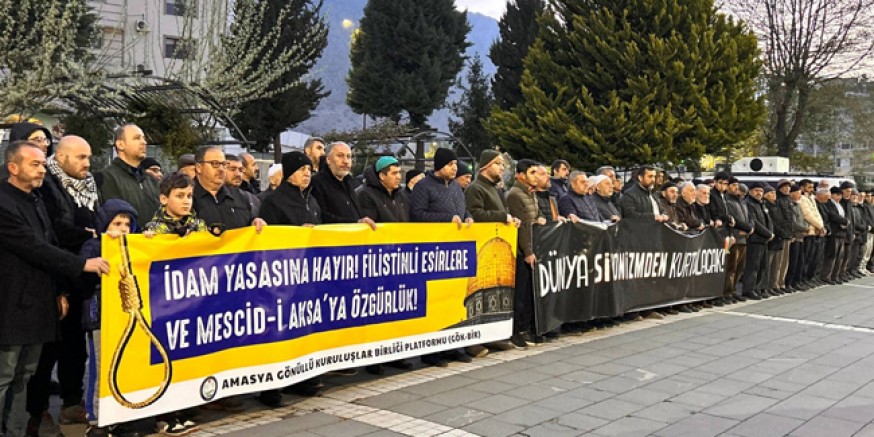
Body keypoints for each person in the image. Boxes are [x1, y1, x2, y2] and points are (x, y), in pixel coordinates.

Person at [0, 141, 109, 437]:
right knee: (5, 376)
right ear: (13, 167)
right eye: (35, 164)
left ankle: (15, 431)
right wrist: (82, 264)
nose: (42, 169)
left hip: (38, 302)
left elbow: (51, 241)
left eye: (42, 164)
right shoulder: (3, 203)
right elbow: (33, 246)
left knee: (25, 375)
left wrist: (60, 291)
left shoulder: (35, 199)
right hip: (10, 304)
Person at [26, 136, 100, 433]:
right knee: (47, 353)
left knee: (75, 349)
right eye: (81, 157)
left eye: (89, 157)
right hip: (56, 277)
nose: (87, 163)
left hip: (83, 277)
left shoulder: (91, 185)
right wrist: (87, 235)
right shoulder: (46, 186)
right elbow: (53, 231)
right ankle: (36, 412)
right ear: (60, 157)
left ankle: (72, 403)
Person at [257, 152, 324, 402]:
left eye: (309, 169)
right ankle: (271, 387)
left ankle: (301, 377)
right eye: (301, 169)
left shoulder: (311, 200)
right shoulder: (274, 202)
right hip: (283, 275)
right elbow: (270, 238)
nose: (307, 173)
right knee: (279, 327)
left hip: (308, 274)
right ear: (289, 173)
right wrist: (297, 234)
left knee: (303, 325)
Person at [78, 200, 142, 437]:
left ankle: (119, 416)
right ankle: (95, 417)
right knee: (100, 366)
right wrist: (106, 247)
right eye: (117, 223)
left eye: (127, 224)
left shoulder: (135, 246)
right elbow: (83, 278)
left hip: (126, 315)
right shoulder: (93, 247)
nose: (122, 228)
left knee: (122, 365)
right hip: (100, 317)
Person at [409, 148, 476, 365]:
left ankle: (452, 346)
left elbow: (462, 210)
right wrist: (447, 219)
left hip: (455, 252)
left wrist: (468, 217)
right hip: (433, 251)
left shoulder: (456, 187)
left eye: (455, 164)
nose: (454, 168)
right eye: (450, 164)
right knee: (434, 301)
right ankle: (431, 352)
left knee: (454, 299)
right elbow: (417, 215)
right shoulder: (423, 186)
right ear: (439, 166)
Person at [357, 156, 418, 373]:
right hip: (378, 262)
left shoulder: (401, 196)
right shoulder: (366, 195)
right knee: (377, 310)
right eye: (394, 173)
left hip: (399, 260)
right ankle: (374, 358)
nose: (399, 177)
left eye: (399, 173)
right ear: (382, 176)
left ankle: (395, 352)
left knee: (397, 308)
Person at [463, 150, 521, 348]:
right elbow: (476, 214)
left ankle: (494, 337)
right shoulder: (475, 188)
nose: (502, 168)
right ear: (486, 166)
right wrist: (503, 217)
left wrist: (511, 220)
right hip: (481, 250)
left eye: (503, 165)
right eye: (498, 164)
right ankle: (476, 341)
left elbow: (504, 213)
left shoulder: (496, 189)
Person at [506, 159, 546, 347]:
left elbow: (535, 215)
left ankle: (526, 328)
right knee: (519, 295)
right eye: (532, 173)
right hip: (521, 251)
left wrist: (541, 218)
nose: (536, 177)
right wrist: (528, 251)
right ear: (521, 176)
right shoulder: (515, 195)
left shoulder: (531, 194)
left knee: (529, 293)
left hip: (531, 247)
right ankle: (515, 332)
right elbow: (521, 227)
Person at [191, 146, 266, 236]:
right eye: (215, 164)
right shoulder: (186, 197)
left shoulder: (240, 196)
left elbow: (250, 220)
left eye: (224, 164)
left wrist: (256, 221)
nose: (221, 169)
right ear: (199, 167)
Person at [97, 124, 160, 221]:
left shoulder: (151, 180)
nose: (144, 142)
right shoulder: (106, 178)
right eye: (137, 138)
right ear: (120, 145)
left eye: (143, 138)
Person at [310, 142, 375, 228]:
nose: (346, 161)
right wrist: (355, 222)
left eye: (348, 156)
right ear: (328, 159)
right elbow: (321, 216)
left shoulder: (350, 183)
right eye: (340, 156)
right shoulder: (317, 182)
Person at [144, 173, 208, 236]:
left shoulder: (199, 225)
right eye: (180, 196)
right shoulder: (154, 229)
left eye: (189, 196)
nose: (187, 201)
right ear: (164, 199)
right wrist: (148, 239)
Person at [742, 182, 774, 300]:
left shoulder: (761, 204)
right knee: (753, 267)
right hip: (754, 239)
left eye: (761, 191)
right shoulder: (749, 203)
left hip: (763, 240)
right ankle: (748, 289)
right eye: (756, 190)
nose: (759, 193)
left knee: (762, 266)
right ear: (750, 191)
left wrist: (770, 232)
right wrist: (767, 233)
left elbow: (769, 220)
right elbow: (754, 222)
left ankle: (757, 288)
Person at [724, 180, 753, 303]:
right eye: (734, 185)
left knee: (739, 268)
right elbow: (733, 219)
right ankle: (727, 292)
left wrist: (750, 227)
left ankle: (734, 290)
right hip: (734, 238)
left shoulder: (741, 201)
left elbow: (750, 217)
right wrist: (746, 228)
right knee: (731, 267)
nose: (737, 188)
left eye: (737, 185)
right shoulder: (727, 201)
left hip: (744, 239)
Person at [764, 184, 790, 296]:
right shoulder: (766, 206)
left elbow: (782, 220)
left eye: (774, 192)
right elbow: (772, 223)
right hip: (772, 238)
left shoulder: (776, 205)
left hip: (779, 238)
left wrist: (785, 232)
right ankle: (766, 286)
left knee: (777, 264)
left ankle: (774, 285)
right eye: (771, 193)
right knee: (768, 264)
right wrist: (781, 233)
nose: (774, 194)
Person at [786, 185, 810, 291]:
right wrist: (805, 228)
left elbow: (803, 219)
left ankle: (797, 281)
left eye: (800, 193)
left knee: (800, 261)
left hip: (801, 237)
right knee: (793, 262)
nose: (799, 195)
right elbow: (793, 222)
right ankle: (789, 283)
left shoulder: (798, 205)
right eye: (797, 193)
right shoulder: (790, 205)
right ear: (791, 193)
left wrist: (806, 227)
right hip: (795, 237)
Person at [822, 187, 849, 284]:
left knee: (839, 256)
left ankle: (835, 275)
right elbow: (832, 215)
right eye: (837, 195)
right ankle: (827, 276)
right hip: (834, 232)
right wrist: (844, 221)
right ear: (832, 194)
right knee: (832, 255)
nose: (839, 197)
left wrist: (846, 222)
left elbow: (845, 216)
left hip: (842, 232)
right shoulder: (829, 203)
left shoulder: (840, 205)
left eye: (840, 195)